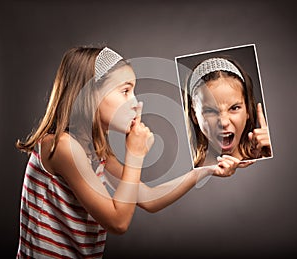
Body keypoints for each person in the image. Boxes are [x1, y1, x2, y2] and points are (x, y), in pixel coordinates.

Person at [16, 46, 251, 258]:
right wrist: (135, 154)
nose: (136, 103)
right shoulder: (62, 146)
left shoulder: (96, 153)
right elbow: (118, 221)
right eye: (125, 91)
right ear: (91, 95)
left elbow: (148, 198)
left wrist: (206, 170)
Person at [183, 56, 272, 167]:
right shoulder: (189, 174)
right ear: (194, 115)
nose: (224, 122)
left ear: (248, 110)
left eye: (234, 108)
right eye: (210, 111)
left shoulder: (267, 153)